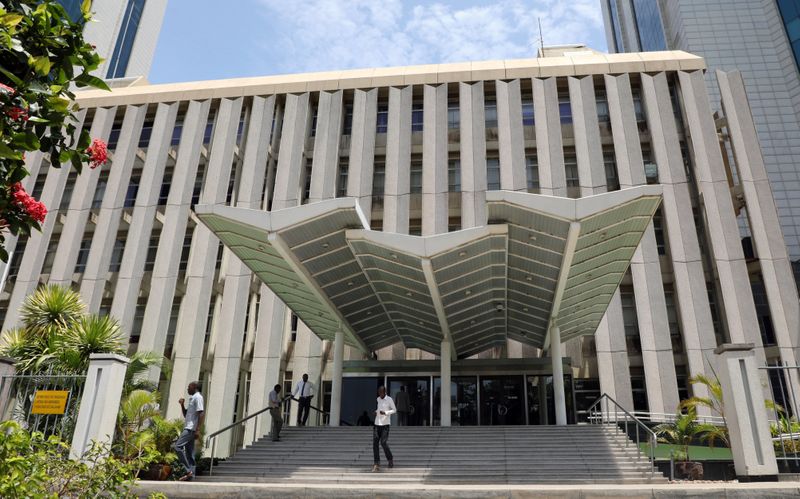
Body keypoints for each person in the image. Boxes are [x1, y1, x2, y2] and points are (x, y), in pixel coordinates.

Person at [174, 381, 204, 481]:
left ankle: (188, 471)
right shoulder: (193, 398)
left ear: (194, 387)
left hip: (191, 429)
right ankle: (191, 478)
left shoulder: (198, 397)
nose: (187, 389)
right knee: (190, 454)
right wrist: (182, 405)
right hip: (189, 427)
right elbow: (186, 414)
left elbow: (201, 413)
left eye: (189, 387)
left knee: (177, 446)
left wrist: (197, 430)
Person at [372, 385, 396, 472]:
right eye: (379, 392)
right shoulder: (378, 399)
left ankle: (390, 459)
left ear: (384, 392)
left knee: (383, 443)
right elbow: (379, 409)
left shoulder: (389, 399)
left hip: (385, 424)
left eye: (381, 392)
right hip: (377, 423)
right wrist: (376, 411)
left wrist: (385, 412)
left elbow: (394, 410)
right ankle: (376, 463)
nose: (380, 394)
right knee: (375, 443)